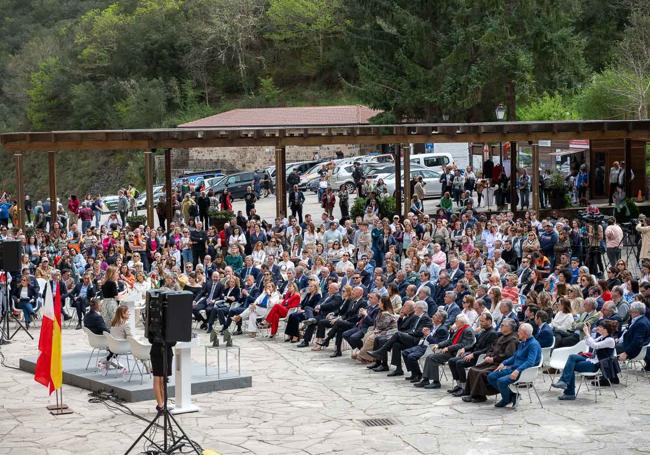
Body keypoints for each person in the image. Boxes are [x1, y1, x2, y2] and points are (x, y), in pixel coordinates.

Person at [552, 319, 620, 400]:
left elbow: (595, 346)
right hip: (591, 359)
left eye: (600, 327)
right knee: (572, 357)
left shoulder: (610, 340)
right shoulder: (602, 337)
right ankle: (564, 382)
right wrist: (589, 333)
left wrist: (587, 333)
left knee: (571, 366)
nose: (598, 328)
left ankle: (569, 392)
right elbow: (588, 343)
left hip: (595, 365)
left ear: (605, 329)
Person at [458, 318, 519, 401]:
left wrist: (493, 359)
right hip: (491, 361)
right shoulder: (501, 336)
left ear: (509, 327)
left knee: (482, 373)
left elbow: (508, 355)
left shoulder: (513, 339)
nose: (500, 326)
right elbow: (491, 347)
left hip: (500, 364)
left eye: (503, 325)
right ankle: (471, 393)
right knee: (472, 369)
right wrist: (488, 355)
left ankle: (480, 396)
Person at [487, 323, 541, 408]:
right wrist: (504, 363)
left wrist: (518, 370)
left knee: (501, 381)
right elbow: (514, 356)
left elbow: (530, 362)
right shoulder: (523, 342)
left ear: (525, 334)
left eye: (519, 331)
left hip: (523, 371)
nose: (517, 333)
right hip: (513, 369)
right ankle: (512, 396)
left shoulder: (533, 344)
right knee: (491, 376)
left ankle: (506, 399)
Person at [414, 314, 476, 389]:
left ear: (462, 322)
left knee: (432, 358)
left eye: (456, 321)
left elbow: (464, 344)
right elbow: (450, 341)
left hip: (457, 353)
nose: (455, 323)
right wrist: (439, 345)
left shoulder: (468, 330)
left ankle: (436, 382)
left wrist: (448, 348)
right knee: (430, 357)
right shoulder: (460, 329)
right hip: (451, 351)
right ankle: (426, 379)